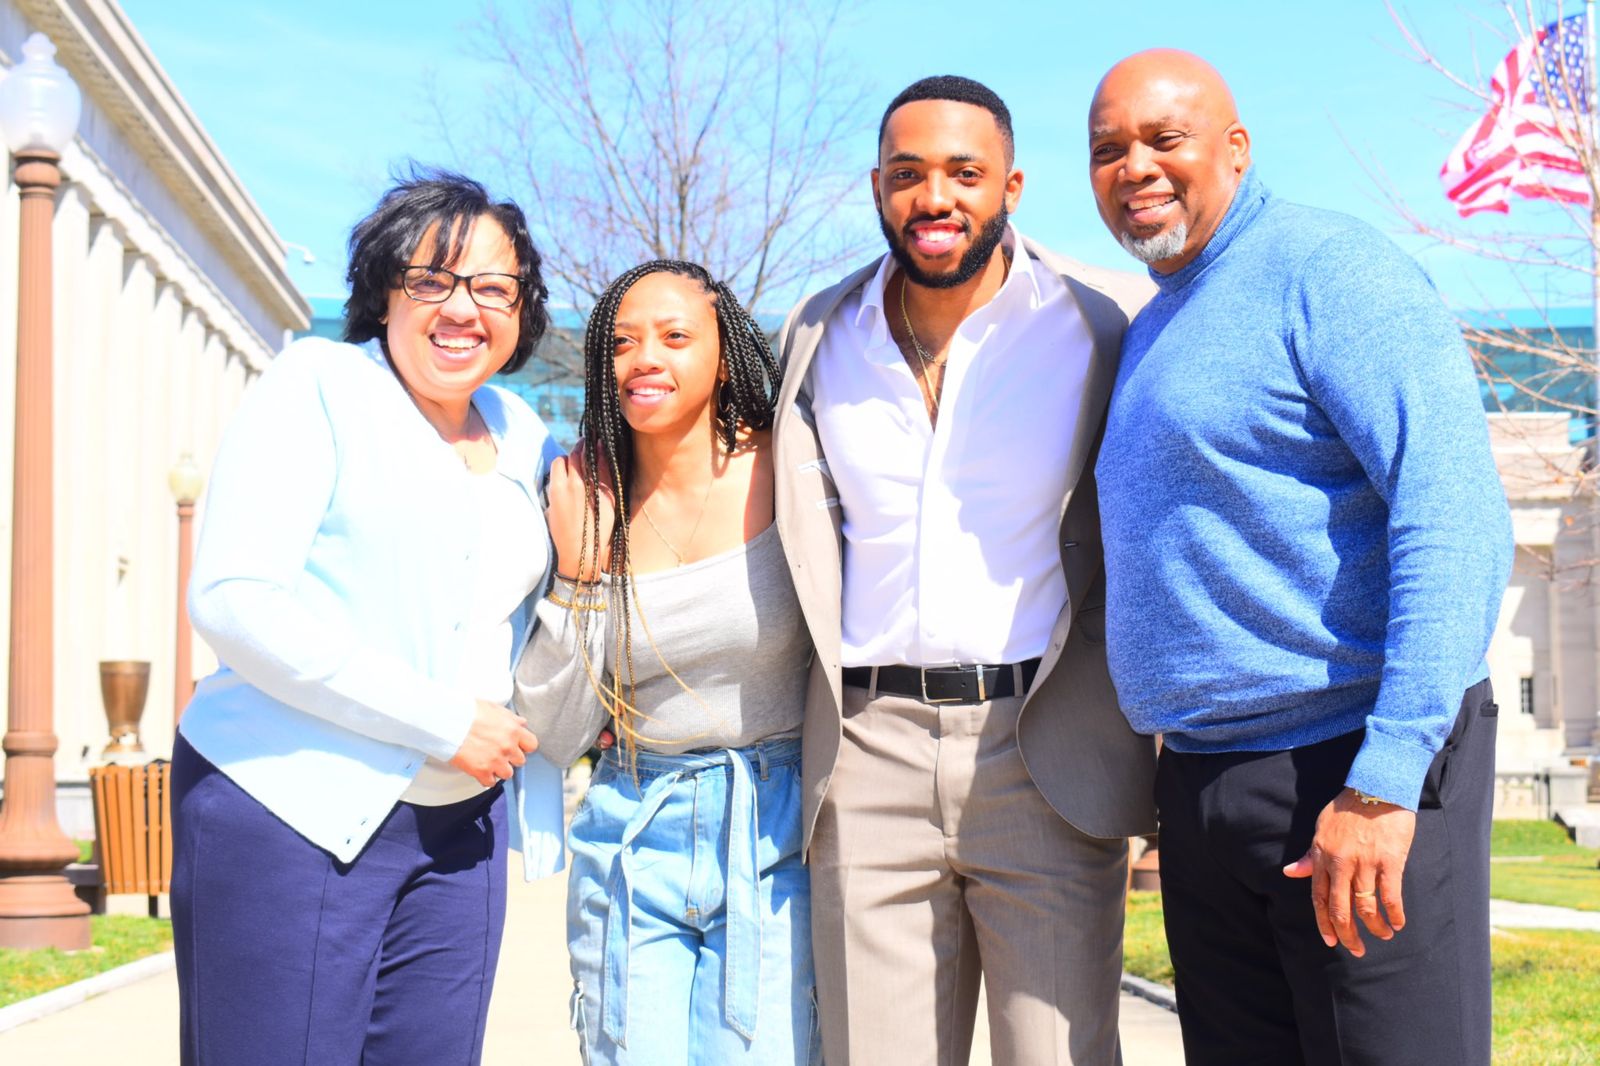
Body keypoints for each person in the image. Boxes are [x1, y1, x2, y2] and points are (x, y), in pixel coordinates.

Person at [1088, 50, 1514, 1066]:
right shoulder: (1154, 327)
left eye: (1164, 139)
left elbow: (1450, 512)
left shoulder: (1330, 270)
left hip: (1352, 767)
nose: (1135, 166)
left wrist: (1383, 780)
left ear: (1235, 150)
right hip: (1202, 788)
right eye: (1109, 150)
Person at [772, 75, 1157, 1066]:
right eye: (906, 174)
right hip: (865, 757)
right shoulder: (813, 335)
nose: (932, 198)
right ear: (875, 188)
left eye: (962, 172)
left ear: (1013, 185)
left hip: (1043, 751)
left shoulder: (1103, 323)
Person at [170, 171, 567, 1065]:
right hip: (287, 806)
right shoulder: (318, 385)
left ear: (520, 312)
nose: (463, 308)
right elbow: (235, 600)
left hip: (459, 832)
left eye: (494, 288)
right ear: (385, 291)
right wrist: (440, 721)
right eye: (433, 279)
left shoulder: (525, 431)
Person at [512, 260, 815, 1064]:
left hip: (775, 825)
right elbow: (555, 727)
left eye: (676, 336)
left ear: (725, 350)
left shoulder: (793, 469)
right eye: (622, 342)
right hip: (631, 827)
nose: (645, 357)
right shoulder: (583, 496)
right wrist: (578, 579)